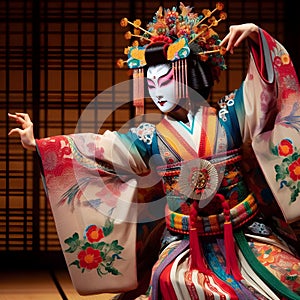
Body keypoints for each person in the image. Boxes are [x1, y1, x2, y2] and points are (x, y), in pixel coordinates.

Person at [9, 2, 300, 299]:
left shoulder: (230, 118)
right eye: (151, 84)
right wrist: (40, 145)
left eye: (165, 81)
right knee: (173, 283)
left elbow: (264, 92)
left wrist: (255, 37)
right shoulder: (149, 137)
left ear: (190, 77)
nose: (157, 92)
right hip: (184, 243)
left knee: (289, 278)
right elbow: (101, 148)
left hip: (244, 234)